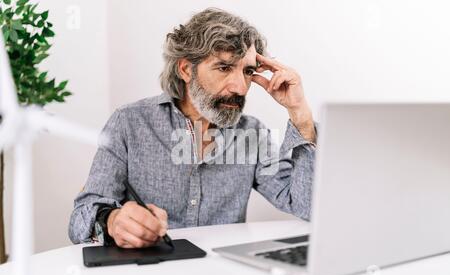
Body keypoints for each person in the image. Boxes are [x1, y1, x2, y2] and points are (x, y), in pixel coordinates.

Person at [69, 8, 317, 248]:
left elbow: (306, 205)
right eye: (224, 67)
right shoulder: (129, 122)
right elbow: (80, 221)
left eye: (248, 71)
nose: (241, 88)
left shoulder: (252, 135)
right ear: (186, 69)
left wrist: (300, 113)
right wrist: (111, 221)